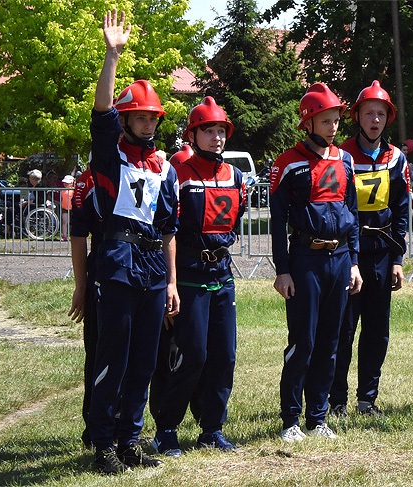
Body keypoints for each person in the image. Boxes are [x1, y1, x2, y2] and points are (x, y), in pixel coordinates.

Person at [86, 9, 179, 474]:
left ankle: (130, 439)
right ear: (126, 119)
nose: (146, 124)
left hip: (152, 268)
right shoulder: (110, 155)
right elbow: (101, 113)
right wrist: (112, 56)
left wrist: (172, 282)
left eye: (151, 118)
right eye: (138, 117)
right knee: (114, 356)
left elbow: (168, 229)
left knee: (145, 358)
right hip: (117, 262)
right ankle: (103, 441)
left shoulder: (164, 166)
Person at [150, 97, 246, 457]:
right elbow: (167, 230)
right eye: (209, 130)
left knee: (225, 356)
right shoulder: (178, 173)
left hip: (222, 275)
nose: (216, 137)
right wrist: (170, 282)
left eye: (221, 130)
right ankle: (166, 429)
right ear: (193, 134)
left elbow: (235, 220)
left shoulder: (235, 176)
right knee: (193, 355)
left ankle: (212, 429)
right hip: (189, 274)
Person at [270, 82, 363, 442]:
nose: (333, 127)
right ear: (307, 123)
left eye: (336, 120)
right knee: (303, 342)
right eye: (326, 120)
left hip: (339, 259)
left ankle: (318, 418)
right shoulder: (288, 163)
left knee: (331, 341)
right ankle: (290, 420)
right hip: (305, 260)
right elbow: (277, 221)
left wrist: (353, 262)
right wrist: (283, 270)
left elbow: (352, 214)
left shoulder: (346, 160)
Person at [329, 81, 410, 418]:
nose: (375, 120)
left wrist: (398, 258)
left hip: (382, 253)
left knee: (377, 330)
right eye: (368, 113)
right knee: (344, 329)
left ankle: (367, 399)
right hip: (350, 254)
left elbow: (402, 210)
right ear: (357, 116)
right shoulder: (342, 156)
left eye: (381, 114)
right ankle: (336, 400)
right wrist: (348, 256)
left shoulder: (396, 158)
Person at [67, 167, 102, 449]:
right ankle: (95, 427)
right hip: (103, 274)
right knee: (99, 352)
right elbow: (78, 236)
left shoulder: (145, 168)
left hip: (141, 274)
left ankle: (125, 427)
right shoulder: (88, 180)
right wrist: (81, 286)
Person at [59, 174, 75, 241]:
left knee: (73, 222)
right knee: (64, 221)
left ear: (71, 183)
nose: (65, 184)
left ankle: (73, 235)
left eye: (67, 183)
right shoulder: (62, 190)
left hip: (72, 208)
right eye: (65, 183)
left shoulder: (74, 190)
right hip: (65, 208)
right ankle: (64, 235)